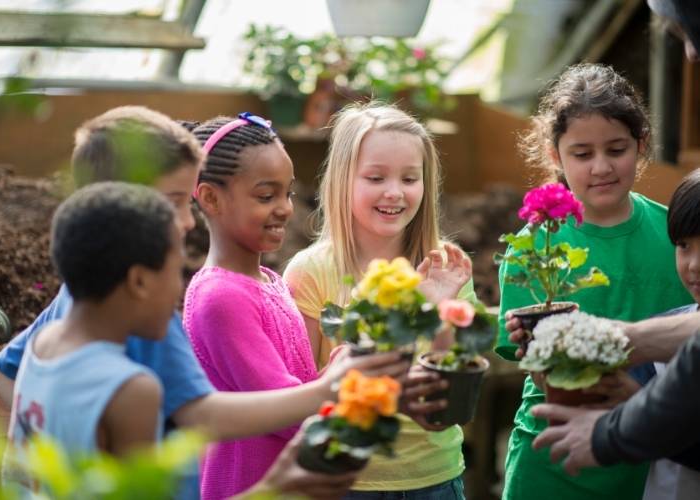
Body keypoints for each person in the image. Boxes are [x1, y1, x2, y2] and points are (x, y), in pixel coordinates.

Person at [0, 105, 407, 499]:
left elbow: (6, 371)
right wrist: (330, 391)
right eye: (174, 201)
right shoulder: (149, 329)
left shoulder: (71, 310)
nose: (188, 218)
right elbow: (202, 417)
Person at [183, 112, 412, 499]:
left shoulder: (269, 281)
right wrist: (349, 382)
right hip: (250, 483)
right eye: (265, 196)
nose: (285, 208)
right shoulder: (221, 297)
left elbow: (301, 386)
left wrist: (338, 368)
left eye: (287, 193)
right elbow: (288, 412)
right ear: (209, 197)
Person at [495, 63, 693, 500]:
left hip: (648, 457)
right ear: (554, 155)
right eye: (582, 154)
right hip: (551, 456)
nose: (601, 167)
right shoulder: (535, 245)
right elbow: (532, 362)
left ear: (641, 145)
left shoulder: (678, 240)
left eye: (616, 149)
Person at [284, 102, 475, 500]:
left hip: (434, 479)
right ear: (342, 180)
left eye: (410, 178)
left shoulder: (448, 267)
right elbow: (300, 397)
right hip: (346, 481)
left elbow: (452, 399)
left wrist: (439, 311)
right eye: (375, 177)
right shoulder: (310, 272)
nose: (395, 192)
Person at [531, 169, 700, 499]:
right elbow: (618, 396)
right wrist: (554, 363)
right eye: (683, 246)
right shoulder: (668, 325)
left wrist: (614, 430)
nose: (693, 265)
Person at [4, 181, 182, 493]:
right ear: (138, 280)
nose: (179, 288)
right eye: (178, 270)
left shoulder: (41, 345)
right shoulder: (132, 389)